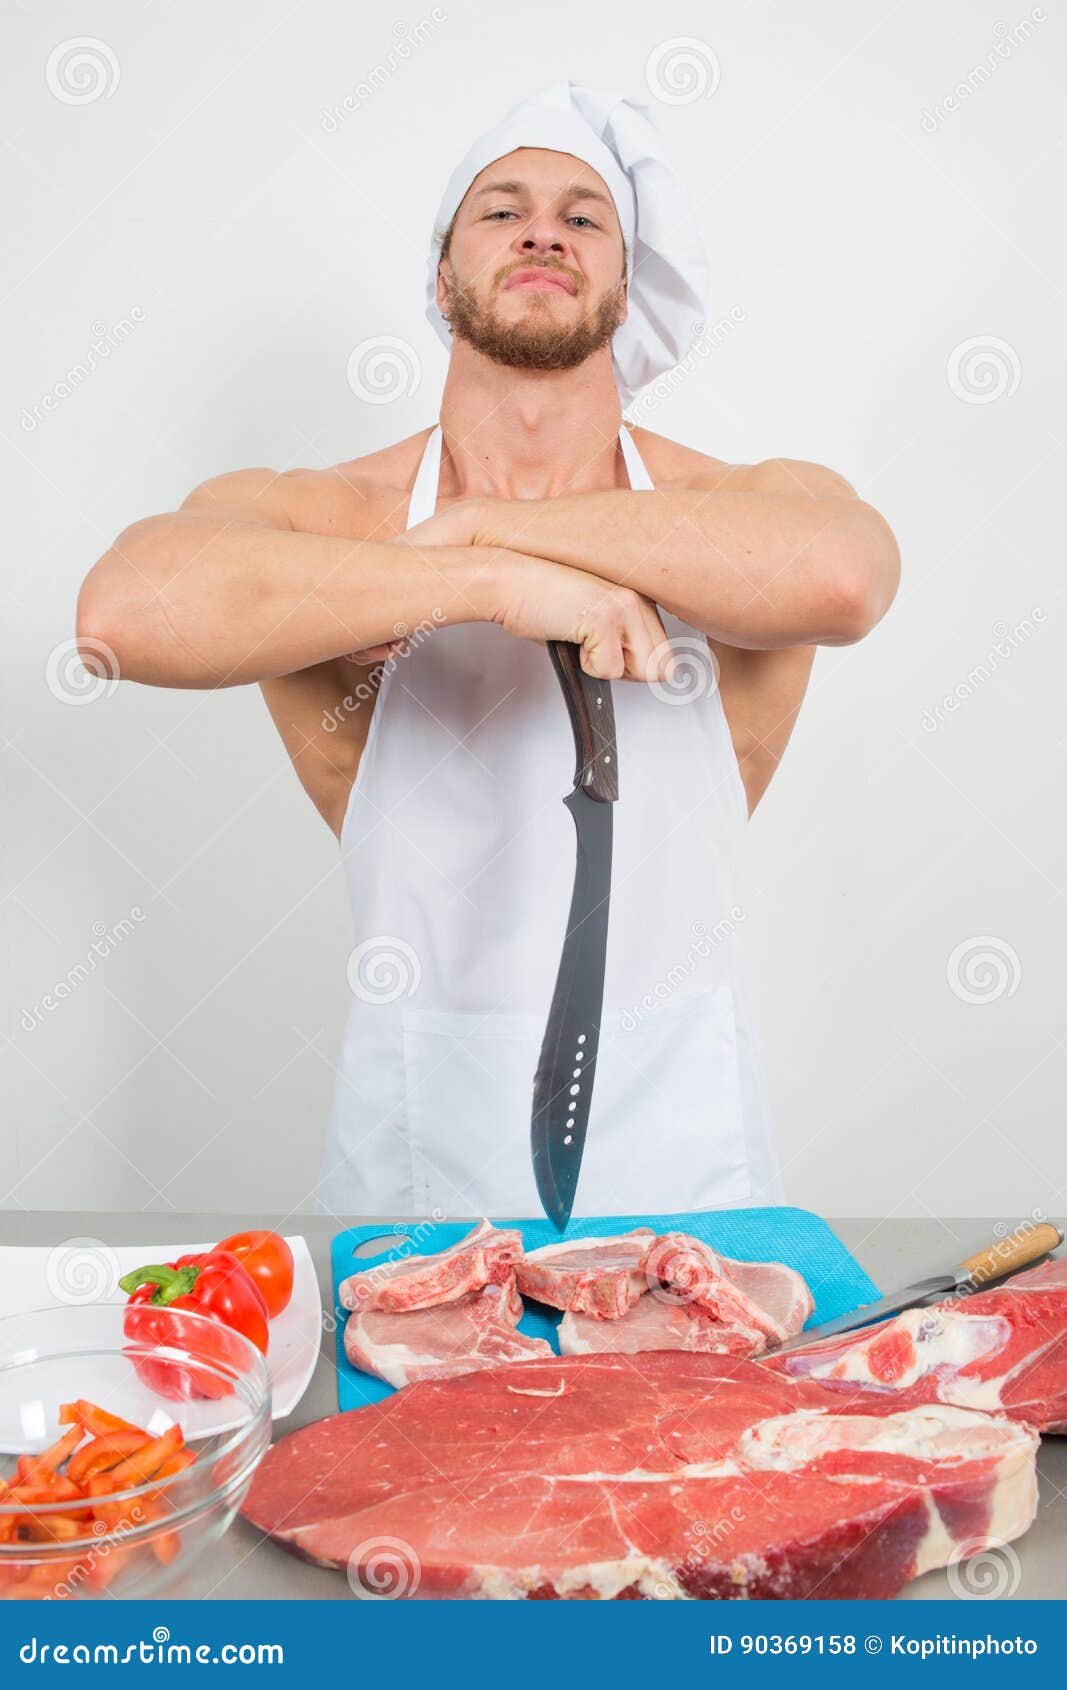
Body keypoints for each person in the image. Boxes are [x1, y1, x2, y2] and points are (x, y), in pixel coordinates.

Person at [77, 83, 899, 1221]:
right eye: (500, 208)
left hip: (691, 1180)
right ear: (440, 274)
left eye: (583, 215)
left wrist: (481, 521)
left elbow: (842, 575)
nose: (541, 230)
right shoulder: (338, 516)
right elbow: (125, 611)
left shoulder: (735, 511)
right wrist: (487, 580)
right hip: (419, 1175)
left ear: (625, 284)